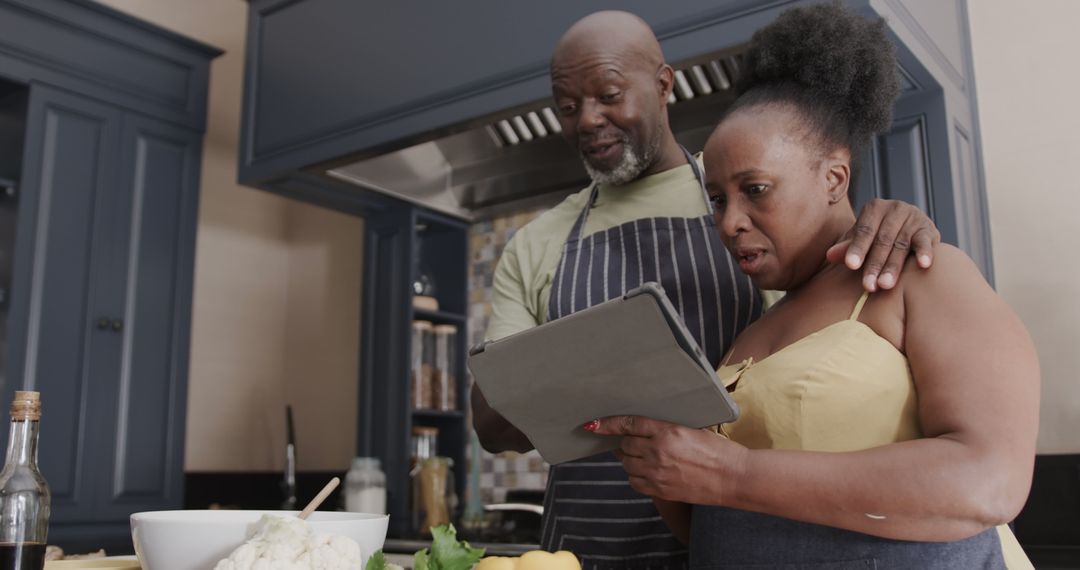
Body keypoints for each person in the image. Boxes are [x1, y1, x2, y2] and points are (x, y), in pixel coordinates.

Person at [471, 10, 943, 569]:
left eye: (610, 94)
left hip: (736, 541)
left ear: (665, 85)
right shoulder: (536, 242)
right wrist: (596, 375)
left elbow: (840, 297)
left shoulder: (750, 198)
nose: (588, 120)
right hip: (579, 551)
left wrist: (899, 217)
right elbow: (493, 422)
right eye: (568, 107)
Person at [587, 4, 1039, 569]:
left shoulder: (918, 275)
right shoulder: (751, 333)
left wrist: (733, 473)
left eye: (756, 189)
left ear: (833, 178)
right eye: (719, 199)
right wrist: (660, 464)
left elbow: (988, 481)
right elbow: (717, 522)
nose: (729, 223)